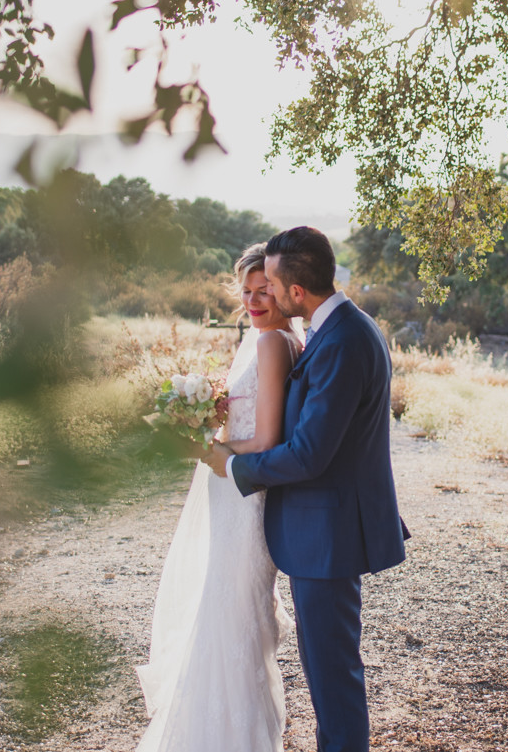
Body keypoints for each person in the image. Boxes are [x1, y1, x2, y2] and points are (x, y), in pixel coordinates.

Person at [202, 226, 408, 752]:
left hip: (329, 535)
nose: (263, 293)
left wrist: (231, 465)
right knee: (326, 671)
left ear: (297, 292)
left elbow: (310, 453)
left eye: (270, 283)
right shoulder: (336, 328)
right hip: (321, 531)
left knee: (333, 677)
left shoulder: (343, 341)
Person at [135, 243, 301, 752]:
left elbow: (267, 441)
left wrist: (209, 449)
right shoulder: (255, 338)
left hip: (243, 496)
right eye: (246, 292)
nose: (253, 301)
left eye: (264, 290)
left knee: (230, 612)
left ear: (282, 288)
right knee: (221, 608)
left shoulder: (274, 343)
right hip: (228, 487)